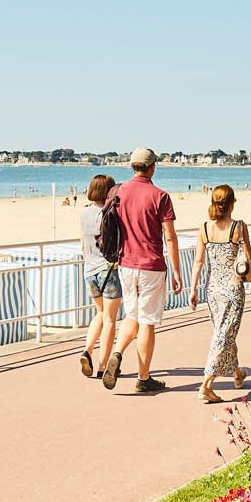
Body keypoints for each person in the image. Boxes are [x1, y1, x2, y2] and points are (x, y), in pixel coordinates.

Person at [101, 148, 182, 394]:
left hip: (126, 264)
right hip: (151, 265)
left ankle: (116, 352)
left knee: (131, 316)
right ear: (153, 167)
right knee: (147, 322)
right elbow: (170, 236)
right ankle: (143, 378)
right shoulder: (160, 196)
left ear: (132, 166)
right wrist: (177, 270)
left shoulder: (118, 192)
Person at [195, 184, 251, 403]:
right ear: (232, 203)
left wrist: (193, 289)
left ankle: (237, 373)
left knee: (225, 332)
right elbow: (248, 255)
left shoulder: (204, 228)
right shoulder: (238, 227)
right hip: (232, 289)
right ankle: (207, 384)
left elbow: (198, 261)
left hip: (212, 290)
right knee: (223, 334)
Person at [77, 174, 124, 379]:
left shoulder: (84, 213)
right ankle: (103, 366)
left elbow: (82, 245)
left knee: (100, 313)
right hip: (108, 270)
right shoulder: (109, 213)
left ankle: (87, 350)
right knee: (110, 319)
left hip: (89, 271)